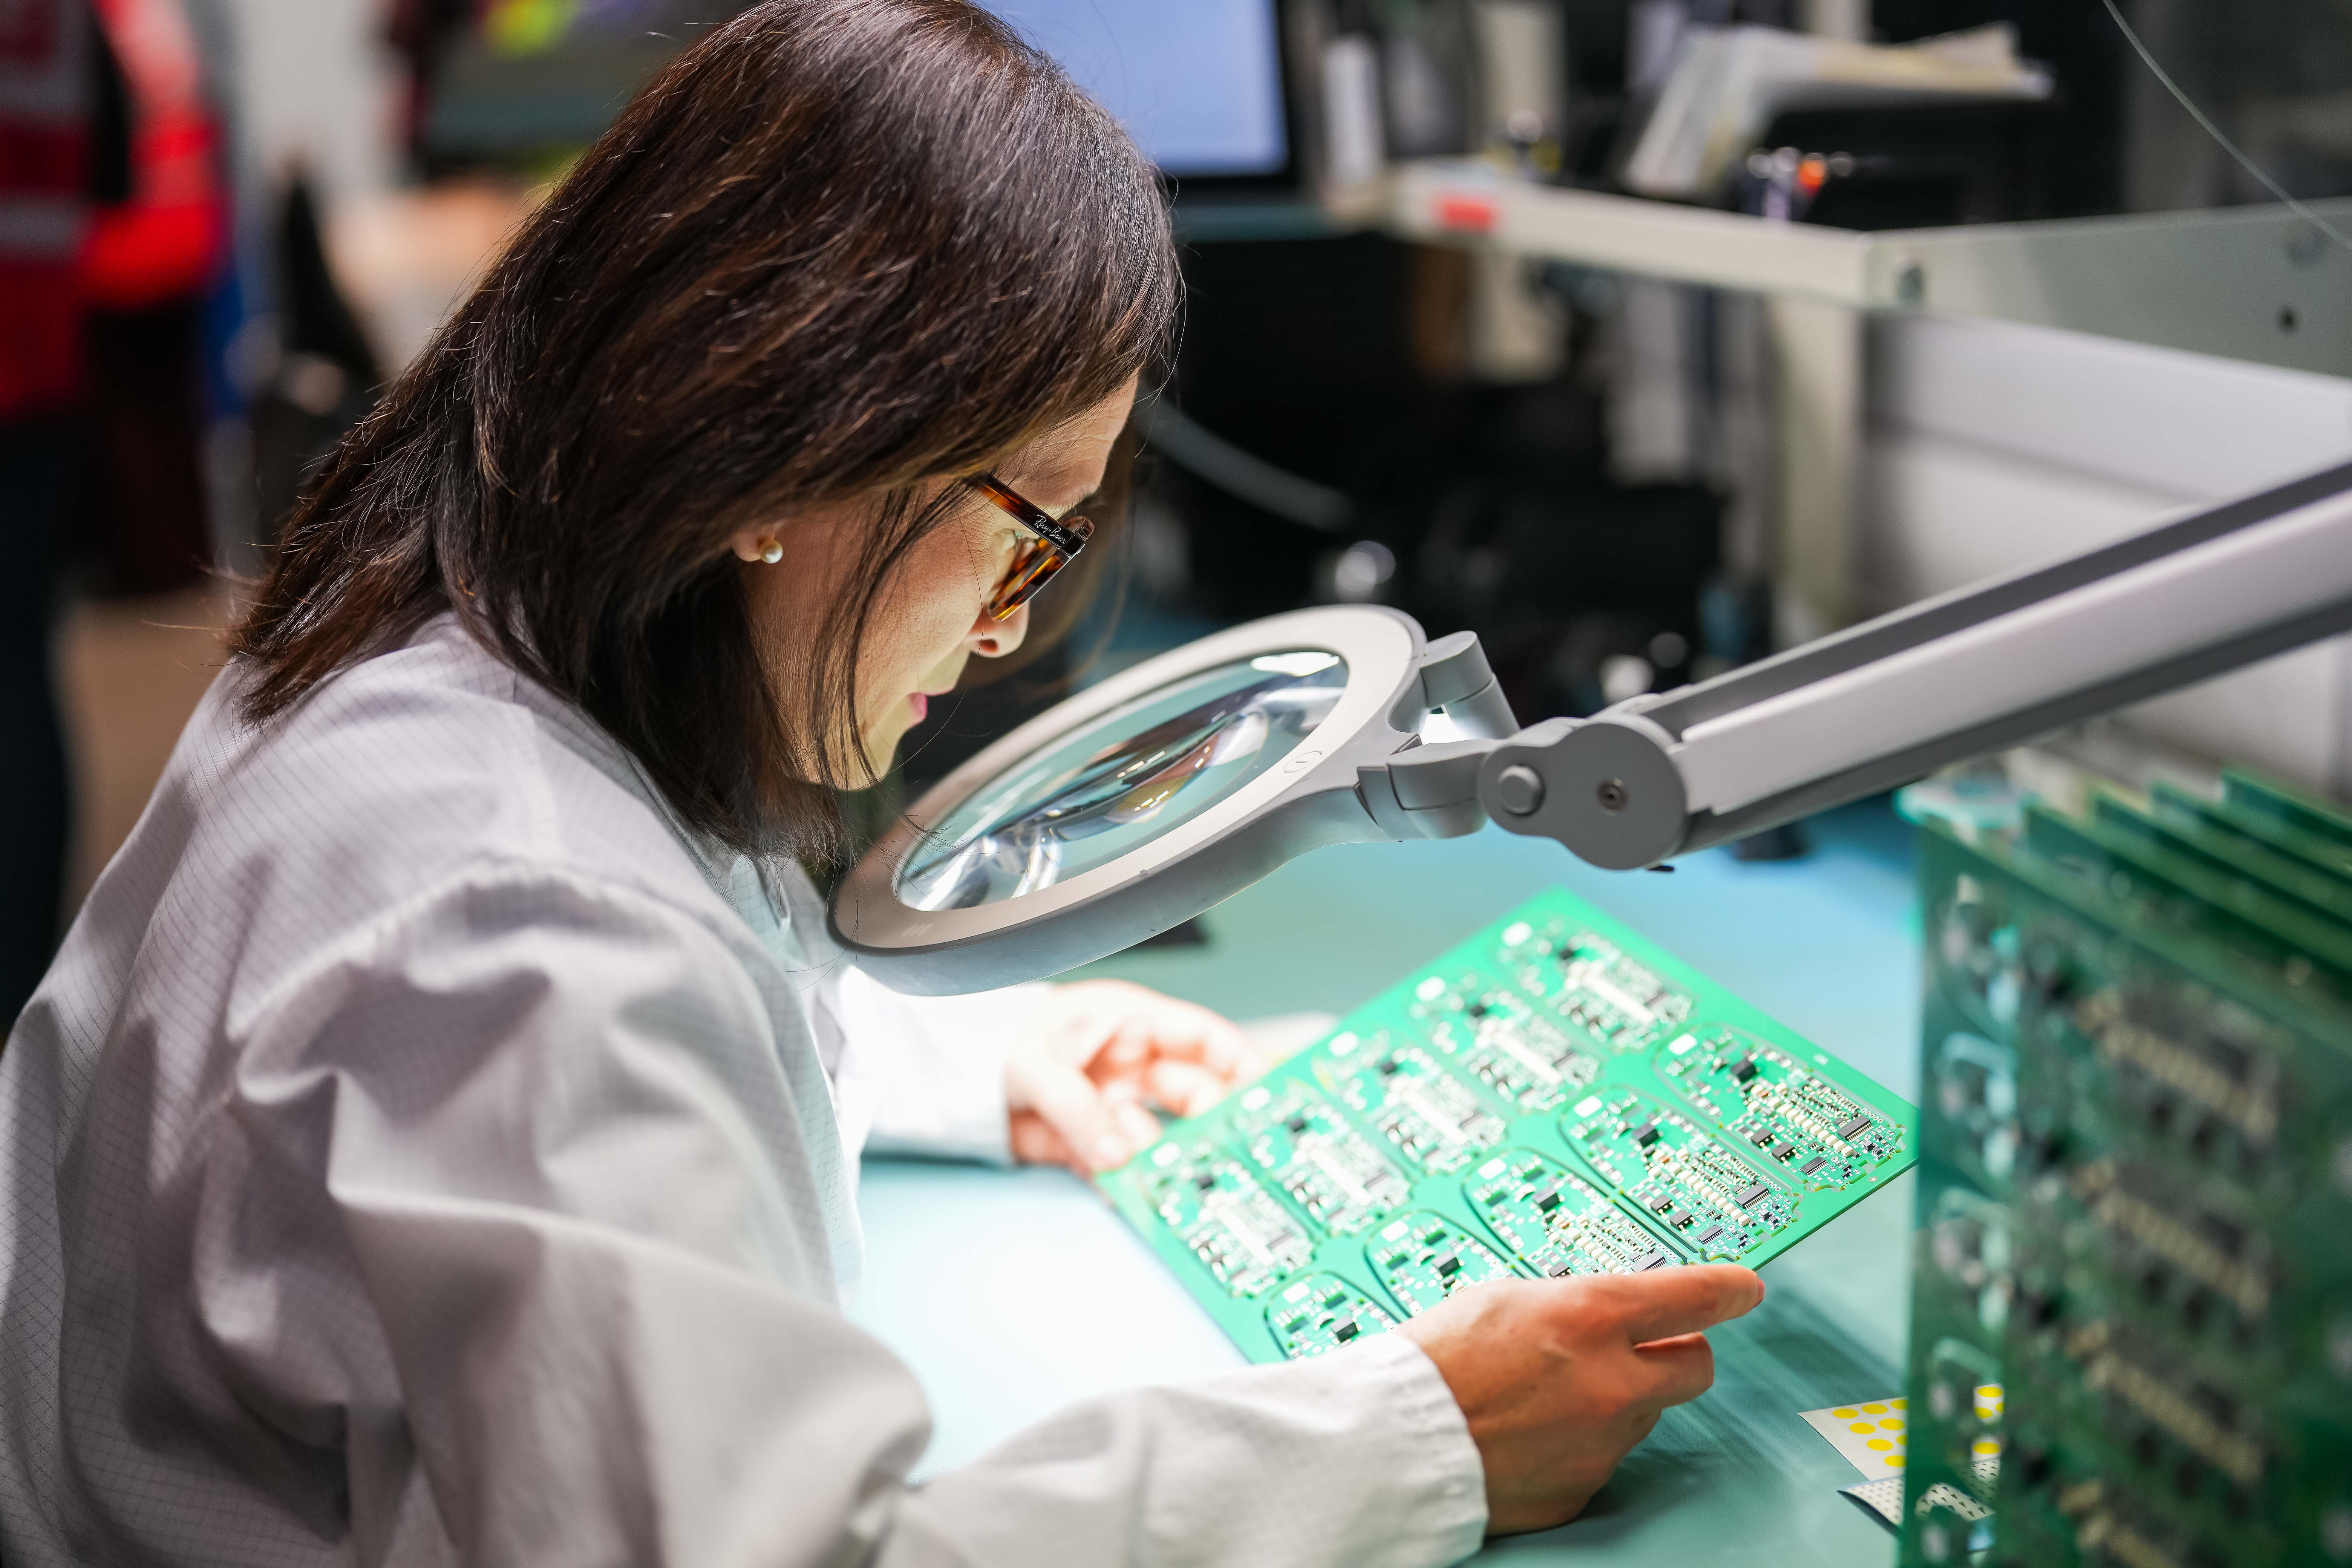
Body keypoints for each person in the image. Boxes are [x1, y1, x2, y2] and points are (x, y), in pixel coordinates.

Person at [0, 3, 1763, 1563]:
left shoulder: (447, 632)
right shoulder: (518, 923)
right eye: (1022, 527)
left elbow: (551, 1087)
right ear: (776, 443)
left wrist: (977, 1057)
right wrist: (1413, 1440)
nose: (1005, 634)